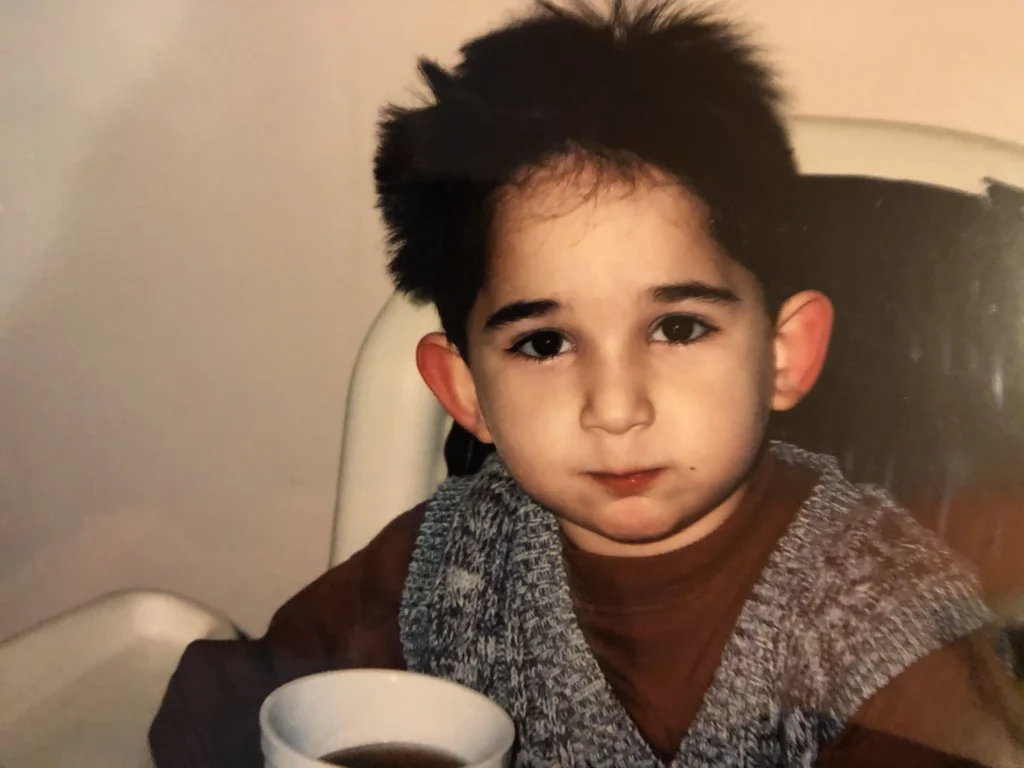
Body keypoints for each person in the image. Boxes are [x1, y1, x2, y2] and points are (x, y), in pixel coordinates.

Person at [149, 1, 1024, 765]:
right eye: (543, 344)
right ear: (464, 394)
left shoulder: (889, 633)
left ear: (785, 353)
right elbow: (223, 709)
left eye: (678, 328)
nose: (615, 408)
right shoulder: (451, 560)